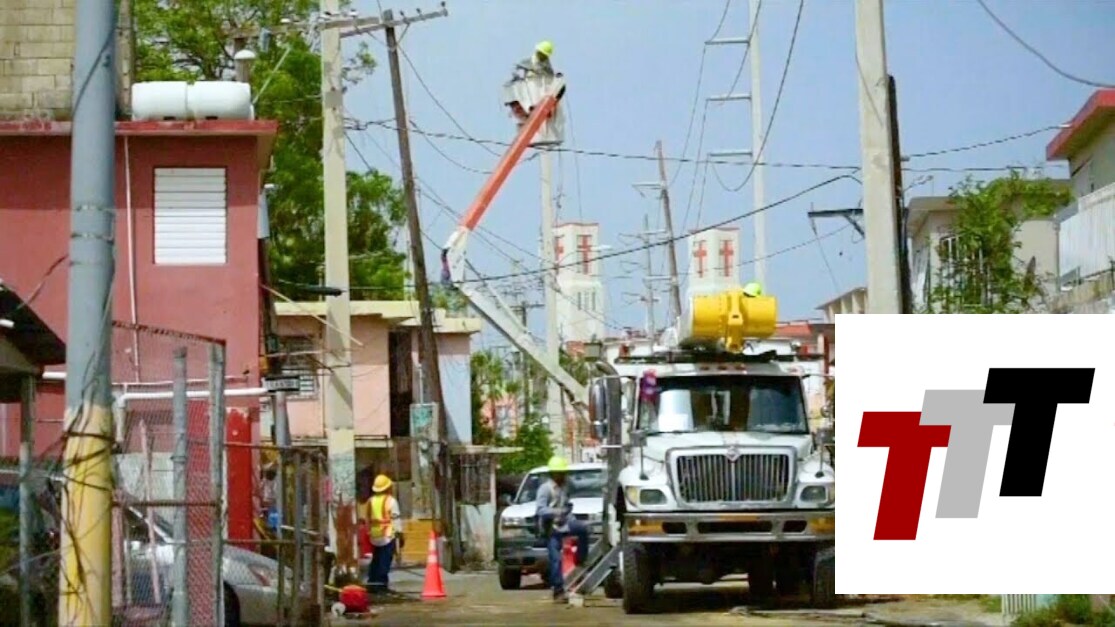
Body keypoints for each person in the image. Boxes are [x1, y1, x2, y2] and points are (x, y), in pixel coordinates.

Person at [534, 455, 589, 602]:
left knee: (583, 529)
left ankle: (580, 559)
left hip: (565, 523)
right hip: (552, 528)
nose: (563, 476)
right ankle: (558, 591)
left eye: (564, 473)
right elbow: (540, 510)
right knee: (556, 559)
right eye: (560, 473)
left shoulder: (566, 485)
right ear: (553, 474)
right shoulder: (545, 489)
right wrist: (556, 512)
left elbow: (578, 488)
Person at [363, 473, 402, 593]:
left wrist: (369, 532)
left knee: (376, 561)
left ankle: (372, 583)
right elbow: (395, 519)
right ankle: (381, 586)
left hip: (374, 536)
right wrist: (399, 534)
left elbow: (367, 519)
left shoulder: (370, 501)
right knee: (384, 561)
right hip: (387, 535)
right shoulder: (391, 501)